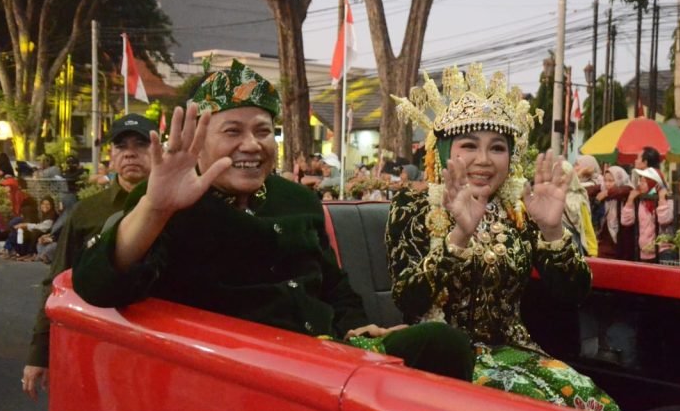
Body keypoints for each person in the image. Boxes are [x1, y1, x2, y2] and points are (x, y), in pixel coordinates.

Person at [70, 62, 473, 387]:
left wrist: (357, 327)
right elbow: (94, 285)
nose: (252, 144)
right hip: (238, 378)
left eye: (263, 131)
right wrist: (156, 209)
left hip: (330, 360)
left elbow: (334, 287)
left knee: (441, 344)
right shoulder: (167, 199)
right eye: (232, 131)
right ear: (199, 142)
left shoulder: (296, 199)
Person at [388, 64, 623, 411]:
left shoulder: (518, 211)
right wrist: (459, 235)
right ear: (444, 150)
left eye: (497, 148)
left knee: (596, 407)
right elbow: (407, 297)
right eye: (469, 145)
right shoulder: (414, 206)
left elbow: (573, 292)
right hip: (442, 359)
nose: (484, 160)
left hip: (516, 352)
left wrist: (552, 230)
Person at [21, 113, 156, 399]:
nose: (130, 153)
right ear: (111, 155)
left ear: (159, 151)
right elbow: (57, 281)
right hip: (98, 341)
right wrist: (39, 353)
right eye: (121, 146)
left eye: (141, 144)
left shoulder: (181, 207)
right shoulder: (86, 212)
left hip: (165, 344)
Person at [621, 166, 674, 263]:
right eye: (640, 181)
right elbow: (625, 221)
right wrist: (630, 200)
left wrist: (662, 199)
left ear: (653, 183)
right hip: (644, 252)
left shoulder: (667, 199)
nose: (640, 184)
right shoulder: (641, 201)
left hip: (662, 252)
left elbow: (664, 219)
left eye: (644, 181)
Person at [596, 165, 634, 260]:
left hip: (621, 241)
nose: (607, 184)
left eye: (611, 181)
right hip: (605, 241)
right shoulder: (602, 190)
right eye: (605, 180)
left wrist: (607, 193)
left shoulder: (626, 190)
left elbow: (626, 189)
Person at [560, 161, 598, 257]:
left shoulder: (579, 199)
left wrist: (593, 251)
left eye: (563, 174)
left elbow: (587, 227)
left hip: (573, 249)